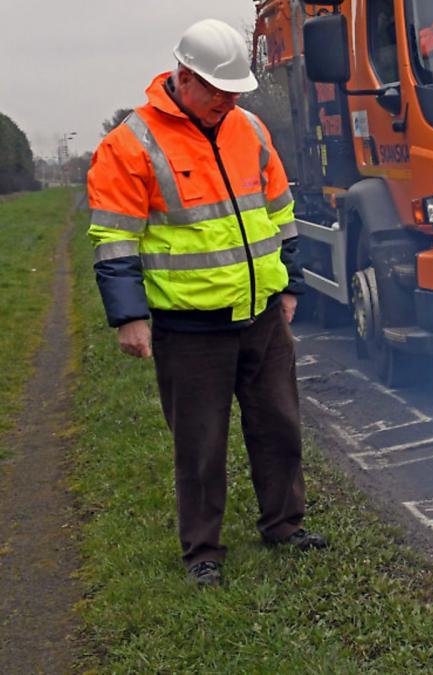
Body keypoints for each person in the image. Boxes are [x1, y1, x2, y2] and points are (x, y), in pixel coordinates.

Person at [86, 19, 327, 588]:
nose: (228, 101)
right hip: (189, 327)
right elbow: (115, 239)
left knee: (279, 426)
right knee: (199, 443)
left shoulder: (248, 127)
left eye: (235, 91)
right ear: (183, 78)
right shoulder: (131, 143)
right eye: (218, 91)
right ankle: (203, 551)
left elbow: (279, 210)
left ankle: (284, 524)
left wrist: (288, 284)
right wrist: (129, 317)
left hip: (261, 314)